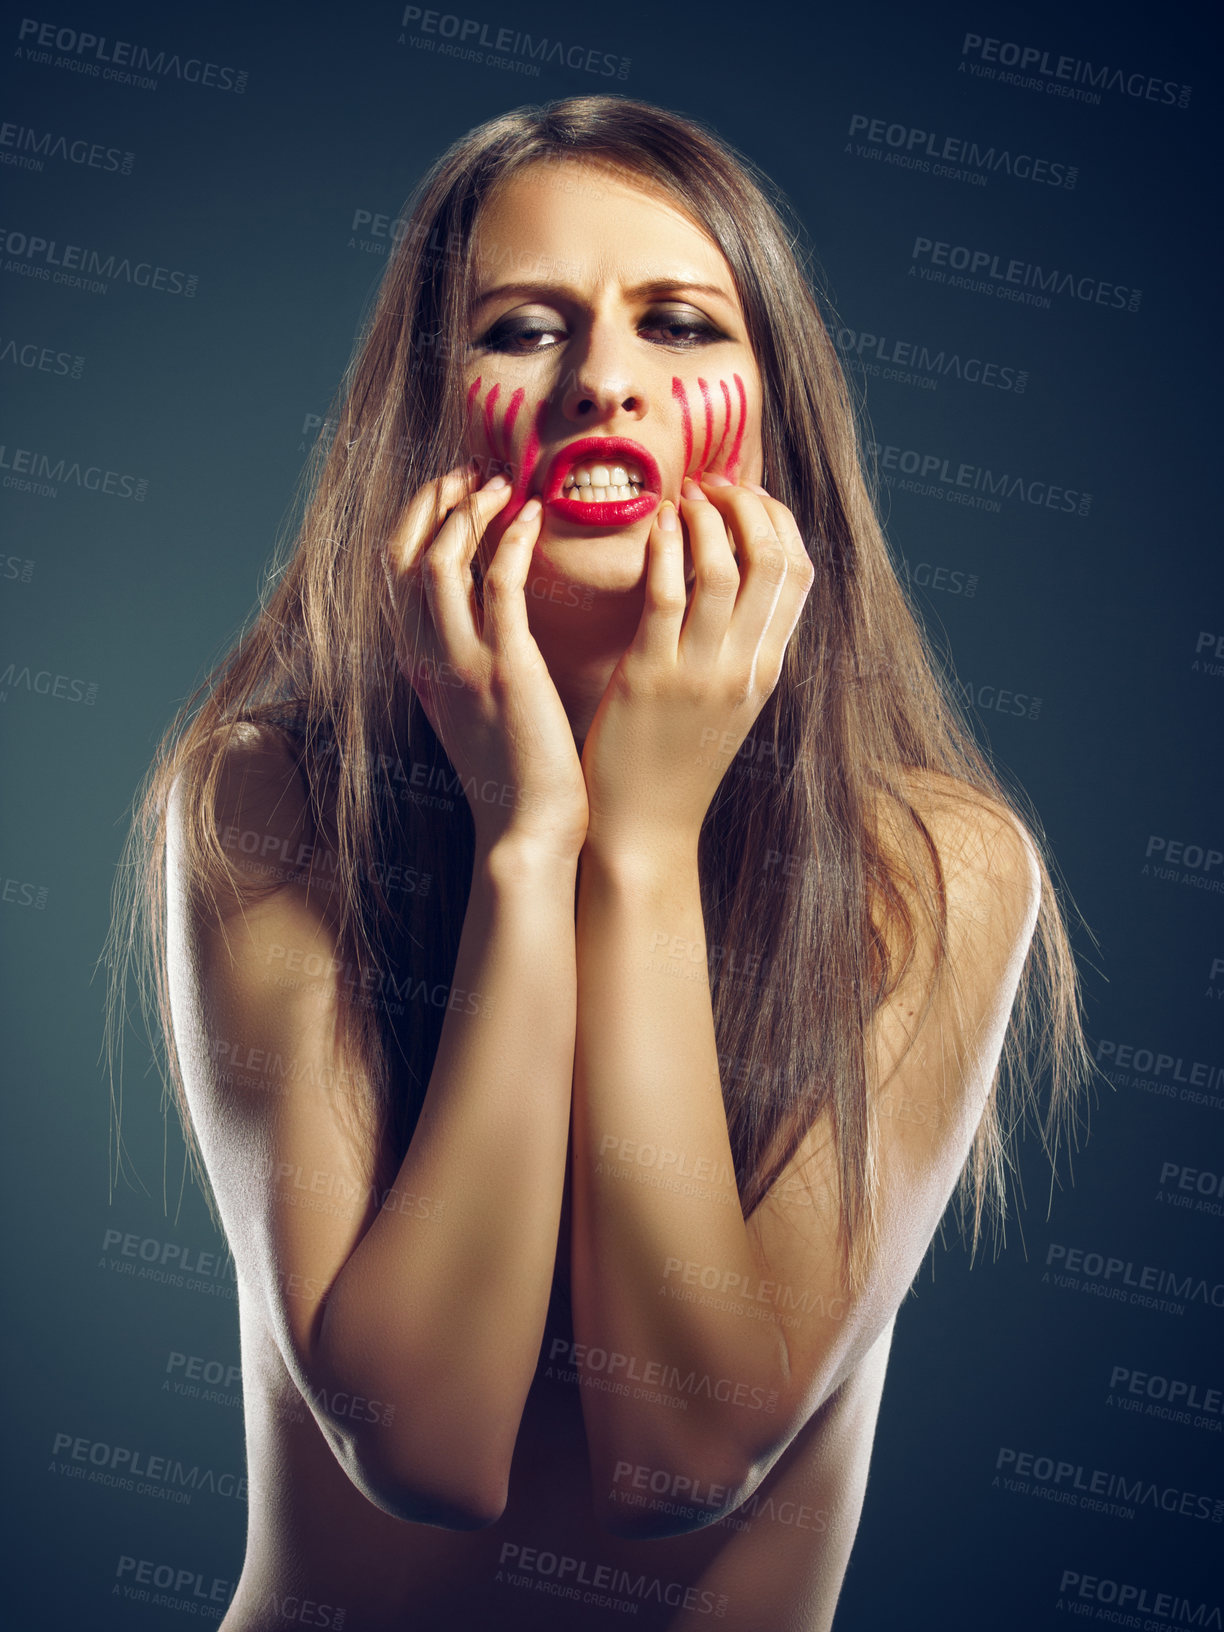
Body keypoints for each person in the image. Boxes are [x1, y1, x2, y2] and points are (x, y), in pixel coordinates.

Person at [110, 95, 1088, 1631]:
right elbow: (422, 1444)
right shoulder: (264, 805)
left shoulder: (937, 868)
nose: (606, 387)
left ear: (779, 421)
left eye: (684, 324)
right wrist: (529, 839)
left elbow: (685, 1448)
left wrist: (640, 841)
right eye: (521, 330)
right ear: (421, 421)